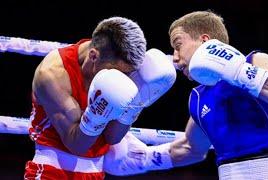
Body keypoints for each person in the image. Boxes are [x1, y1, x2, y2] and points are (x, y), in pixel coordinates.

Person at [102, 11, 268, 179]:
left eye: (178, 45)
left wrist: (234, 68)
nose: (175, 58)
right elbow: (191, 148)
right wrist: (145, 157)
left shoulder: (255, 60)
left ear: (205, 41)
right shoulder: (199, 98)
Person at [24, 16, 177, 179]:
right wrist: (97, 113)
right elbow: (76, 145)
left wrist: (136, 103)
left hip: (96, 172)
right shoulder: (53, 75)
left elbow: (113, 137)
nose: (120, 78)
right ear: (93, 56)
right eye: (116, 71)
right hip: (51, 170)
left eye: (126, 74)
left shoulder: (118, 68)